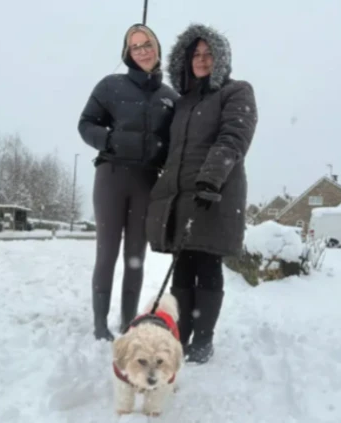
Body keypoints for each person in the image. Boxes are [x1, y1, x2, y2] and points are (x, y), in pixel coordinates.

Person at [145, 23, 258, 363]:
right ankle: (181, 336)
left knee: (206, 263)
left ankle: (203, 340)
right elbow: (171, 150)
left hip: (215, 193)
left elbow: (234, 137)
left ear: (221, 59)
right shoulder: (182, 103)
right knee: (182, 265)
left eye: (210, 54)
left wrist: (210, 180)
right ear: (185, 59)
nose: (203, 60)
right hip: (180, 197)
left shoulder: (237, 91)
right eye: (196, 54)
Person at [78, 24, 179, 341]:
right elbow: (85, 124)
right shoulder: (110, 86)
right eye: (135, 46)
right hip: (111, 177)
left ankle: (127, 323)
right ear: (127, 53)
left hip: (146, 182)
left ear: (158, 48)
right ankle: (99, 324)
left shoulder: (169, 97)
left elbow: (175, 141)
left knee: (136, 256)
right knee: (106, 253)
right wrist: (108, 139)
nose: (143, 50)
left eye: (147, 43)